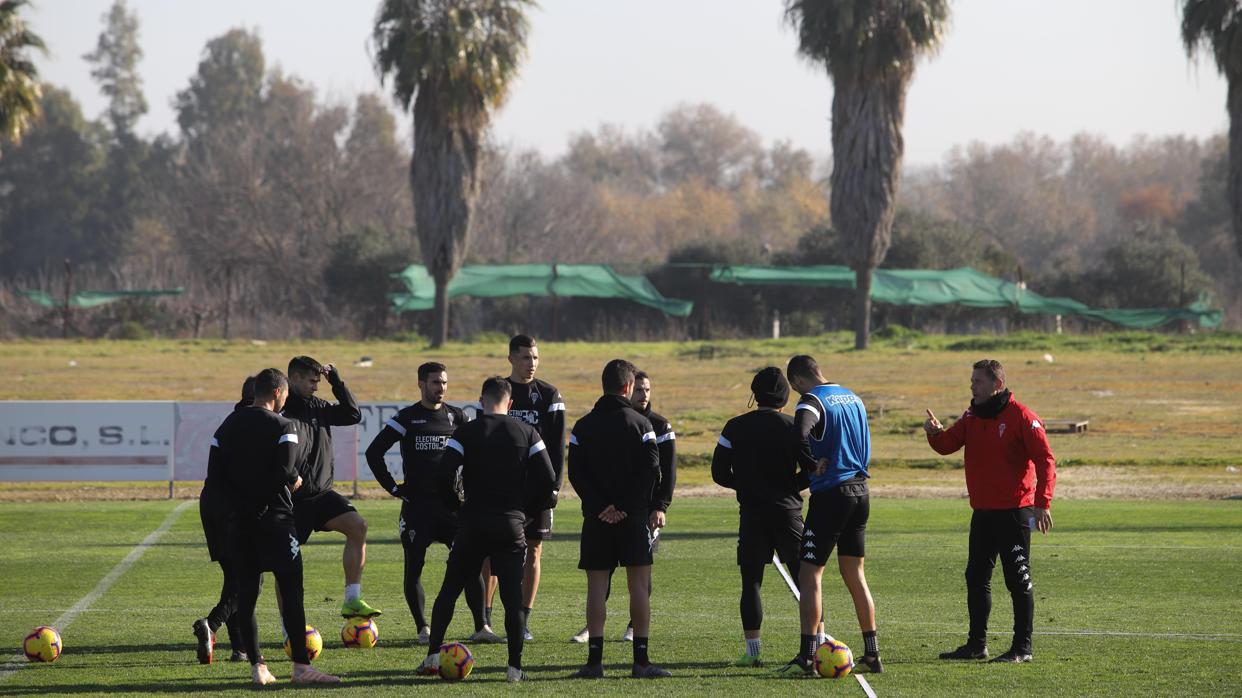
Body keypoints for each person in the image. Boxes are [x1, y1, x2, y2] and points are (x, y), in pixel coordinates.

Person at [415, 377, 556, 683]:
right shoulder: (528, 432)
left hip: (472, 523)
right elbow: (549, 479)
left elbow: (443, 475)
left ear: (481, 401)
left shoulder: (465, 431)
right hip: (510, 524)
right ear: (511, 404)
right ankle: (514, 669)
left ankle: (432, 657)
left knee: (449, 590)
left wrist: (456, 506)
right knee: (511, 599)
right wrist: (527, 512)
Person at [212, 368, 338, 685]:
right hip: (276, 522)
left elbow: (214, 482)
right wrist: (293, 482)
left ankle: (258, 667)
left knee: (248, 596)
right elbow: (287, 472)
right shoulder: (285, 425)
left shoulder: (226, 427)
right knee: (292, 593)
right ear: (279, 393)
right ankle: (301, 668)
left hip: (239, 524)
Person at [925, 359, 1056, 664]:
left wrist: (1042, 503)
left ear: (997, 384)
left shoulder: (1022, 416)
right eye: (972, 381)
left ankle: (1022, 648)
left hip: (1015, 513)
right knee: (976, 577)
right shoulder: (972, 416)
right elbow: (948, 445)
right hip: (983, 513)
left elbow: (1045, 460)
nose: (972, 386)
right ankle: (976, 645)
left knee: (1018, 579)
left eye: (978, 381)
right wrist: (934, 433)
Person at [363, 362, 500, 645]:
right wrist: (392, 487)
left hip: (453, 510)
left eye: (445, 383)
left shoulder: (457, 417)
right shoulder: (406, 418)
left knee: (471, 566)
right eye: (436, 382)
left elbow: (476, 452)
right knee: (414, 569)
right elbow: (374, 452)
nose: (441, 388)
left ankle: (482, 627)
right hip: (418, 510)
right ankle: (422, 628)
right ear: (421, 384)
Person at [777, 355, 882, 676]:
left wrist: (809, 464)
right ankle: (873, 653)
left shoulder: (811, 401)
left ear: (795, 381)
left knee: (810, 575)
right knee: (855, 575)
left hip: (831, 496)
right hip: (861, 492)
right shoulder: (853, 397)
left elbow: (799, 433)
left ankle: (807, 657)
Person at [567, 359, 670, 679]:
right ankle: (640, 661)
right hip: (633, 516)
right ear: (628, 387)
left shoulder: (582, 426)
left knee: (596, 587)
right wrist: (626, 506)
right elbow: (652, 468)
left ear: (604, 385)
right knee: (638, 586)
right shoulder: (641, 425)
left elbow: (576, 473)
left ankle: (594, 662)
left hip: (596, 519)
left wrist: (601, 506)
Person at [710, 367, 810, 668]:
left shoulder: (734, 427)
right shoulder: (794, 426)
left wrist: (744, 485)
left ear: (754, 394)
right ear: (785, 395)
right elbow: (811, 466)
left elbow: (718, 472)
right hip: (788, 512)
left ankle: (753, 654)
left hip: (752, 513)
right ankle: (814, 645)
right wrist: (793, 485)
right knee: (805, 580)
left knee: (751, 581)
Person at [481, 334, 565, 640]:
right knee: (490, 554)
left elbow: (557, 448)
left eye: (536, 358)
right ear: (511, 359)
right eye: (526, 357)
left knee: (534, 550)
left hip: (536, 490)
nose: (532, 364)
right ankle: (486, 621)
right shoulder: (498, 391)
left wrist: (554, 486)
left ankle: (522, 620)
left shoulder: (549, 395)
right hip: (502, 490)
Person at [281, 355, 377, 619]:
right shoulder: (282, 411)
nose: (316, 386)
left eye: (319, 381)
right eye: (312, 381)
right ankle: (288, 626)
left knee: (358, 526)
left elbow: (352, 414)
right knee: (285, 564)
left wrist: (336, 381)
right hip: (293, 500)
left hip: (322, 495)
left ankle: (352, 600)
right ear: (295, 378)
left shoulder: (319, 406)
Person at [192, 376, 258, 664]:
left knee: (234, 578)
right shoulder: (256, 423)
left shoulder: (232, 420)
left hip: (211, 504)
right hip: (234, 508)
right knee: (248, 581)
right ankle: (212, 623)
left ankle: (239, 648)